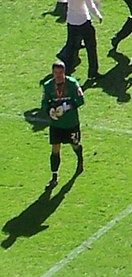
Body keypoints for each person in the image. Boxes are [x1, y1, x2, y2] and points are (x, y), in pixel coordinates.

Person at [41, 61, 85, 190]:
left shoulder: (72, 84)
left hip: (71, 123)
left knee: (75, 144)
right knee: (55, 149)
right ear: (52, 72)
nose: (58, 75)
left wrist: (66, 107)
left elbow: (80, 100)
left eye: (60, 73)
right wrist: (49, 110)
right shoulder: (48, 86)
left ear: (64, 72)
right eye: (55, 73)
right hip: (56, 124)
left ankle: (80, 159)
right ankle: (54, 177)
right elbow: (44, 102)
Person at [55, 0, 103, 79]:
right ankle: (93, 72)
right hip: (83, 21)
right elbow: (90, 6)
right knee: (91, 47)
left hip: (71, 21)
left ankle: (68, 70)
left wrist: (71, 3)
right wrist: (98, 16)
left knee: (71, 46)